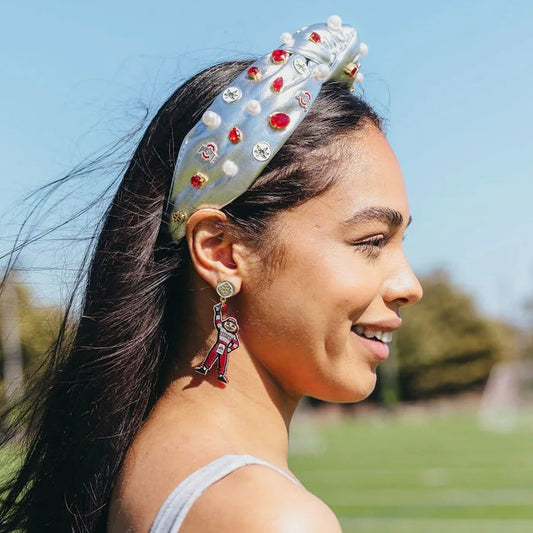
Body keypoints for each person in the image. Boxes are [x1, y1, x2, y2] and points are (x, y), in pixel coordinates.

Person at [0, 15, 422, 533]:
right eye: (371, 242)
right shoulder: (268, 516)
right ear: (221, 250)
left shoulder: (141, 464)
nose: (409, 286)